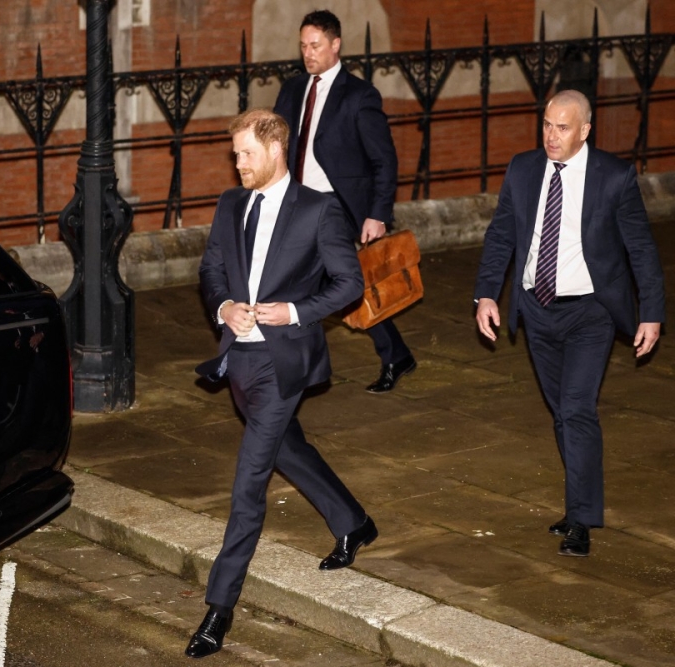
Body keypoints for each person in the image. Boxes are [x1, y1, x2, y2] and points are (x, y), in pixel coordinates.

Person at [187, 109, 375, 659]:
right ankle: (354, 522)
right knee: (286, 449)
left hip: (282, 364)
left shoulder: (319, 210)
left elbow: (349, 284)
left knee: (249, 482)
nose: (237, 162)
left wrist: (290, 312)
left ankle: (218, 610)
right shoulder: (231, 204)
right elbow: (210, 271)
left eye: (245, 153)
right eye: (235, 154)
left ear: (274, 149)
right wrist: (225, 308)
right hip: (237, 363)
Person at [474, 89, 665, 558]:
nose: (551, 136)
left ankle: (581, 519)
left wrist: (653, 314)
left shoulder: (614, 177)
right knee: (561, 411)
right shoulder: (522, 169)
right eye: (546, 124)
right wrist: (485, 294)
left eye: (562, 127)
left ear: (584, 130)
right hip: (535, 309)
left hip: (589, 313)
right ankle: (576, 503)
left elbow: (640, 248)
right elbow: (501, 234)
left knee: (577, 408)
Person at [273, 9, 415, 393]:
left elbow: (384, 160)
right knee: (337, 289)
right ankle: (395, 353)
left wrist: (377, 214)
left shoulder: (359, 95)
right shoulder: (292, 90)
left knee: (308, 289)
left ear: (336, 45)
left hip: (335, 207)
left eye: (315, 45)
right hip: (297, 203)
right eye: (303, 46)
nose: (308, 53)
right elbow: (277, 145)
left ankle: (299, 371)